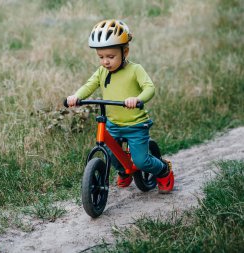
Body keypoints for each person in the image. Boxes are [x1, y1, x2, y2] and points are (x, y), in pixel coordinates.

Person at [66, 19, 174, 193]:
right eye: (101, 57)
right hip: (114, 124)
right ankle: (124, 171)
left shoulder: (135, 70)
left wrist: (137, 99)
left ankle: (163, 170)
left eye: (110, 56)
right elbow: (89, 85)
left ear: (125, 51)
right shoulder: (102, 71)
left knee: (141, 161)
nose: (105, 62)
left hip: (136, 125)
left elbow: (149, 88)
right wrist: (76, 96)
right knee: (111, 153)